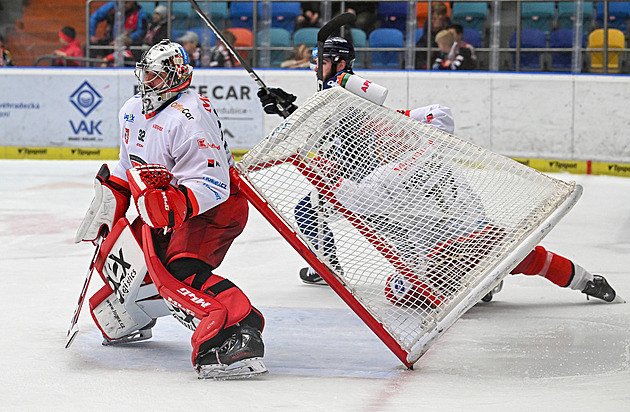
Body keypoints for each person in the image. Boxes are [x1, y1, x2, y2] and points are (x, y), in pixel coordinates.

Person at [257, 36, 620, 304]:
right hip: (480, 236)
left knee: (399, 282)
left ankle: (476, 283)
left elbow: (349, 186)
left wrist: (316, 161)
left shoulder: (384, 169)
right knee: (523, 257)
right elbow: (435, 119)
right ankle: (498, 279)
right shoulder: (425, 149)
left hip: (428, 239)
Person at [74, 39, 266, 379]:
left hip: (215, 207)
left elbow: (213, 183)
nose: (148, 83)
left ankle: (240, 327)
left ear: (176, 76)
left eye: (155, 77)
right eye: (145, 75)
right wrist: (113, 199)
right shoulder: (132, 110)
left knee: (181, 267)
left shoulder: (192, 115)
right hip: (165, 204)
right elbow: (126, 166)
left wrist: (173, 204)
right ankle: (133, 314)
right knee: (122, 254)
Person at [415, 2, 451, 69]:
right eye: (438, 14)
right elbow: (427, 36)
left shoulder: (449, 23)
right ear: (433, 14)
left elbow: (448, 38)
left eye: (442, 14)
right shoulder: (428, 22)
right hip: (429, 42)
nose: (440, 17)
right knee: (419, 49)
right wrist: (434, 30)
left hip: (444, 44)